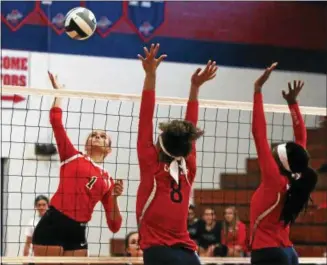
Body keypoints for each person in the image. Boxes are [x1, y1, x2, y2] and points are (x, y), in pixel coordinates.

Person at [136, 43, 217, 265]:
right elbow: (191, 125)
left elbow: (145, 117)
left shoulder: (151, 164)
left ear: (160, 144)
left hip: (159, 252)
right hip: (189, 254)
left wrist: (150, 76)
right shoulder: (188, 167)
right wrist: (194, 87)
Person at [32, 72, 124, 258]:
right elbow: (56, 121)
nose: (97, 136)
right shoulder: (72, 156)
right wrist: (60, 93)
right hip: (54, 224)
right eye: (93, 134)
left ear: (109, 150)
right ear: (86, 143)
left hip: (78, 231)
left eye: (103, 136)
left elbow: (114, 225)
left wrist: (114, 197)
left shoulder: (108, 181)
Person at [250, 63, 318, 265]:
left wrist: (257, 90)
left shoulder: (273, 178)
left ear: (279, 160)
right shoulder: (294, 176)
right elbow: (301, 140)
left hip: (268, 253)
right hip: (288, 253)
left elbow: (258, 133)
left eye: (275, 151)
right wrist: (292, 103)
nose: (271, 150)